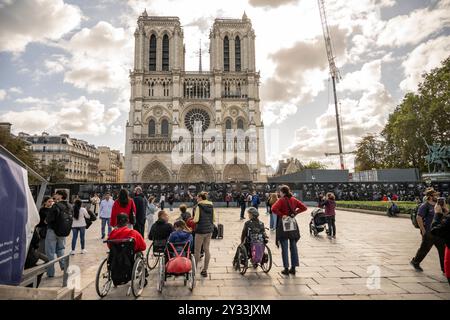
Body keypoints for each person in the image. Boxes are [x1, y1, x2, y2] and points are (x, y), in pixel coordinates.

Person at [271, 185, 307, 276]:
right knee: (293, 246)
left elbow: (273, 209)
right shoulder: (294, 200)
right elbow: (304, 207)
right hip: (292, 225)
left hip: (283, 225)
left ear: (283, 192)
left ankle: (286, 268)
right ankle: (293, 268)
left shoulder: (281, 200)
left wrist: (282, 214)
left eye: (280, 192)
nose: (279, 193)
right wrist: (295, 213)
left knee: (284, 247)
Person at [410, 188, 446, 273]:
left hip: (438, 231)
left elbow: (444, 215)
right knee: (424, 249)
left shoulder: (438, 205)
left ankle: (444, 268)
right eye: (435, 195)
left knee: (443, 250)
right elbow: (419, 217)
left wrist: (444, 207)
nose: (437, 196)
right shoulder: (425, 206)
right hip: (429, 232)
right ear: (430, 197)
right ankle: (415, 262)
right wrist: (422, 229)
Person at [45, 189, 73, 278]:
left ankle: (50, 273)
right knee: (61, 249)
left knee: (50, 252)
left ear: (60, 196)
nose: (55, 195)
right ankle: (64, 268)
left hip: (52, 231)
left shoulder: (56, 206)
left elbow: (49, 219)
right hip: (63, 231)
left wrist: (46, 221)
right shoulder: (70, 206)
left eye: (56, 194)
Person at [193, 192, 215, 277]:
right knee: (206, 249)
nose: (197, 199)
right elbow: (214, 218)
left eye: (197, 197)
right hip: (209, 230)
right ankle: (205, 270)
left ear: (201, 198)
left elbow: (196, 219)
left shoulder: (199, 206)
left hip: (200, 230)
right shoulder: (211, 205)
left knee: (197, 250)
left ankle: (194, 269)